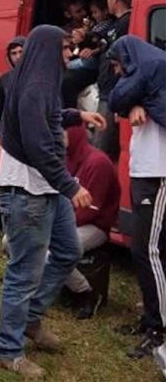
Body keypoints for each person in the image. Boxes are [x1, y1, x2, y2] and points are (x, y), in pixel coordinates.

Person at [0, 25, 95, 378]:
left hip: (46, 188)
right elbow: (37, 146)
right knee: (23, 272)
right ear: (49, 49)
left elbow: (47, 116)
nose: (70, 54)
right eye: (64, 48)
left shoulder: (41, 82)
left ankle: (30, 318)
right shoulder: (35, 85)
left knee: (68, 251)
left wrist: (77, 115)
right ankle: (8, 349)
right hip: (26, 191)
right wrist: (70, 186)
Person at [106, 36, 166, 364]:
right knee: (148, 250)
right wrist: (132, 104)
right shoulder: (143, 89)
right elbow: (118, 99)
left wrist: (133, 100)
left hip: (158, 175)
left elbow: (121, 95)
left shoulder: (156, 78)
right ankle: (150, 319)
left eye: (118, 66)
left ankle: (159, 329)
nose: (118, 73)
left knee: (148, 251)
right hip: (144, 172)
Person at [63, 125, 120, 319]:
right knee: (10, 241)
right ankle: (26, 281)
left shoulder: (98, 163)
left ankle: (85, 292)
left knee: (56, 250)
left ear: (74, 133)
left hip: (94, 226)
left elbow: (89, 211)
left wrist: (54, 226)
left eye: (61, 131)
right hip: (64, 221)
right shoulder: (63, 158)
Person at [93, 0, 134, 162]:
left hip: (112, 93)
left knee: (100, 149)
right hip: (108, 92)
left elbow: (124, 60)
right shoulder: (116, 23)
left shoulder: (126, 23)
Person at [0, 37, 25, 153]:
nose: (18, 57)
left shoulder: (39, 77)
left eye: (21, 52)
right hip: (10, 141)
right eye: (14, 53)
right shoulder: (4, 80)